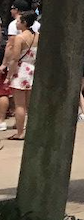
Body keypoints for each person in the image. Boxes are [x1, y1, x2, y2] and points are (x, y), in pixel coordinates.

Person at [4, 10, 39, 139]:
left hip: (21, 71)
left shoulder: (20, 38)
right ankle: (32, 130)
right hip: (33, 69)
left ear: (24, 23)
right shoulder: (37, 36)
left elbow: (15, 58)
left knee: (20, 105)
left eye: (19, 21)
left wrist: (8, 76)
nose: (17, 23)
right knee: (30, 105)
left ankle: (20, 132)